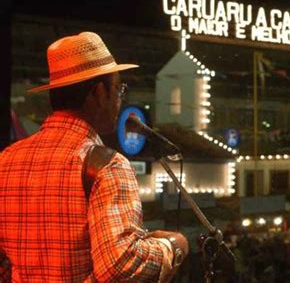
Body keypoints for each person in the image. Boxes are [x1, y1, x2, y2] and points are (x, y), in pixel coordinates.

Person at [0, 32, 189, 282]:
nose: (120, 100)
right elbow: (121, 264)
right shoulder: (107, 164)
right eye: (119, 89)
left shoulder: (6, 160)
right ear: (99, 93)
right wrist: (174, 246)